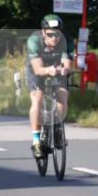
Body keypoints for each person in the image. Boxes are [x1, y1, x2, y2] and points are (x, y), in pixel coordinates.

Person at [26, 14, 74, 158]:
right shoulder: (34, 41)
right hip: (37, 70)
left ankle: (57, 126)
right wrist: (48, 71)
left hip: (56, 68)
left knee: (63, 95)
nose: (54, 38)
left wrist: (64, 69)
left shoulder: (67, 40)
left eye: (57, 34)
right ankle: (36, 142)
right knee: (38, 99)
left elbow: (67, 66)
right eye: (50, 34)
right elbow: (37, 69)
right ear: (43, 32)